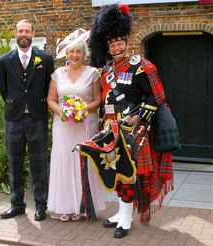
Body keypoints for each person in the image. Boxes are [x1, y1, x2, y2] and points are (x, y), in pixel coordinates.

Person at [89, 4, 175, 238]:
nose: (116, 47)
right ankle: (120, 211)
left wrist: (139, 115)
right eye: (112, 44)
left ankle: (126, 218)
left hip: (133, 130)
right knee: (116, 171)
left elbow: (157, 97)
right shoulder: (106, 71)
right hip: (111, 127)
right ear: (108, 46)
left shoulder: (141, 66)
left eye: (120, 43)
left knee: (128, 173)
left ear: (127, 43)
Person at [0, 19, 54, 221]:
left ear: (33, 33)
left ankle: (41, 206)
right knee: (15, 163)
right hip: (14, 117)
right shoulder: (4, 60)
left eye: (27, 31)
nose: (23, 34)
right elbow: (3, 89)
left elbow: (49, 85)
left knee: (39, 164)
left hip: (37, 117)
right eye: (20, 30)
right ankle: (17, 205)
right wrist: (16, 103)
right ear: (15, 33)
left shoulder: (45, 59)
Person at [47, 29, 106, 222]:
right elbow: (51, 100)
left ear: (84, 54)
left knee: (84, 163)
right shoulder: (57, 74)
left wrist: (82, 110)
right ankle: (64, 206)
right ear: (66, 53)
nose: (74, 55)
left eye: (78, 52)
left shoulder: (92, 74)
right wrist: (64, 112)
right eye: (71, 51)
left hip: (85, 125)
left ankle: (83, 206)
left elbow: (98, 100)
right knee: (64, 162)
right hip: (63, 126)